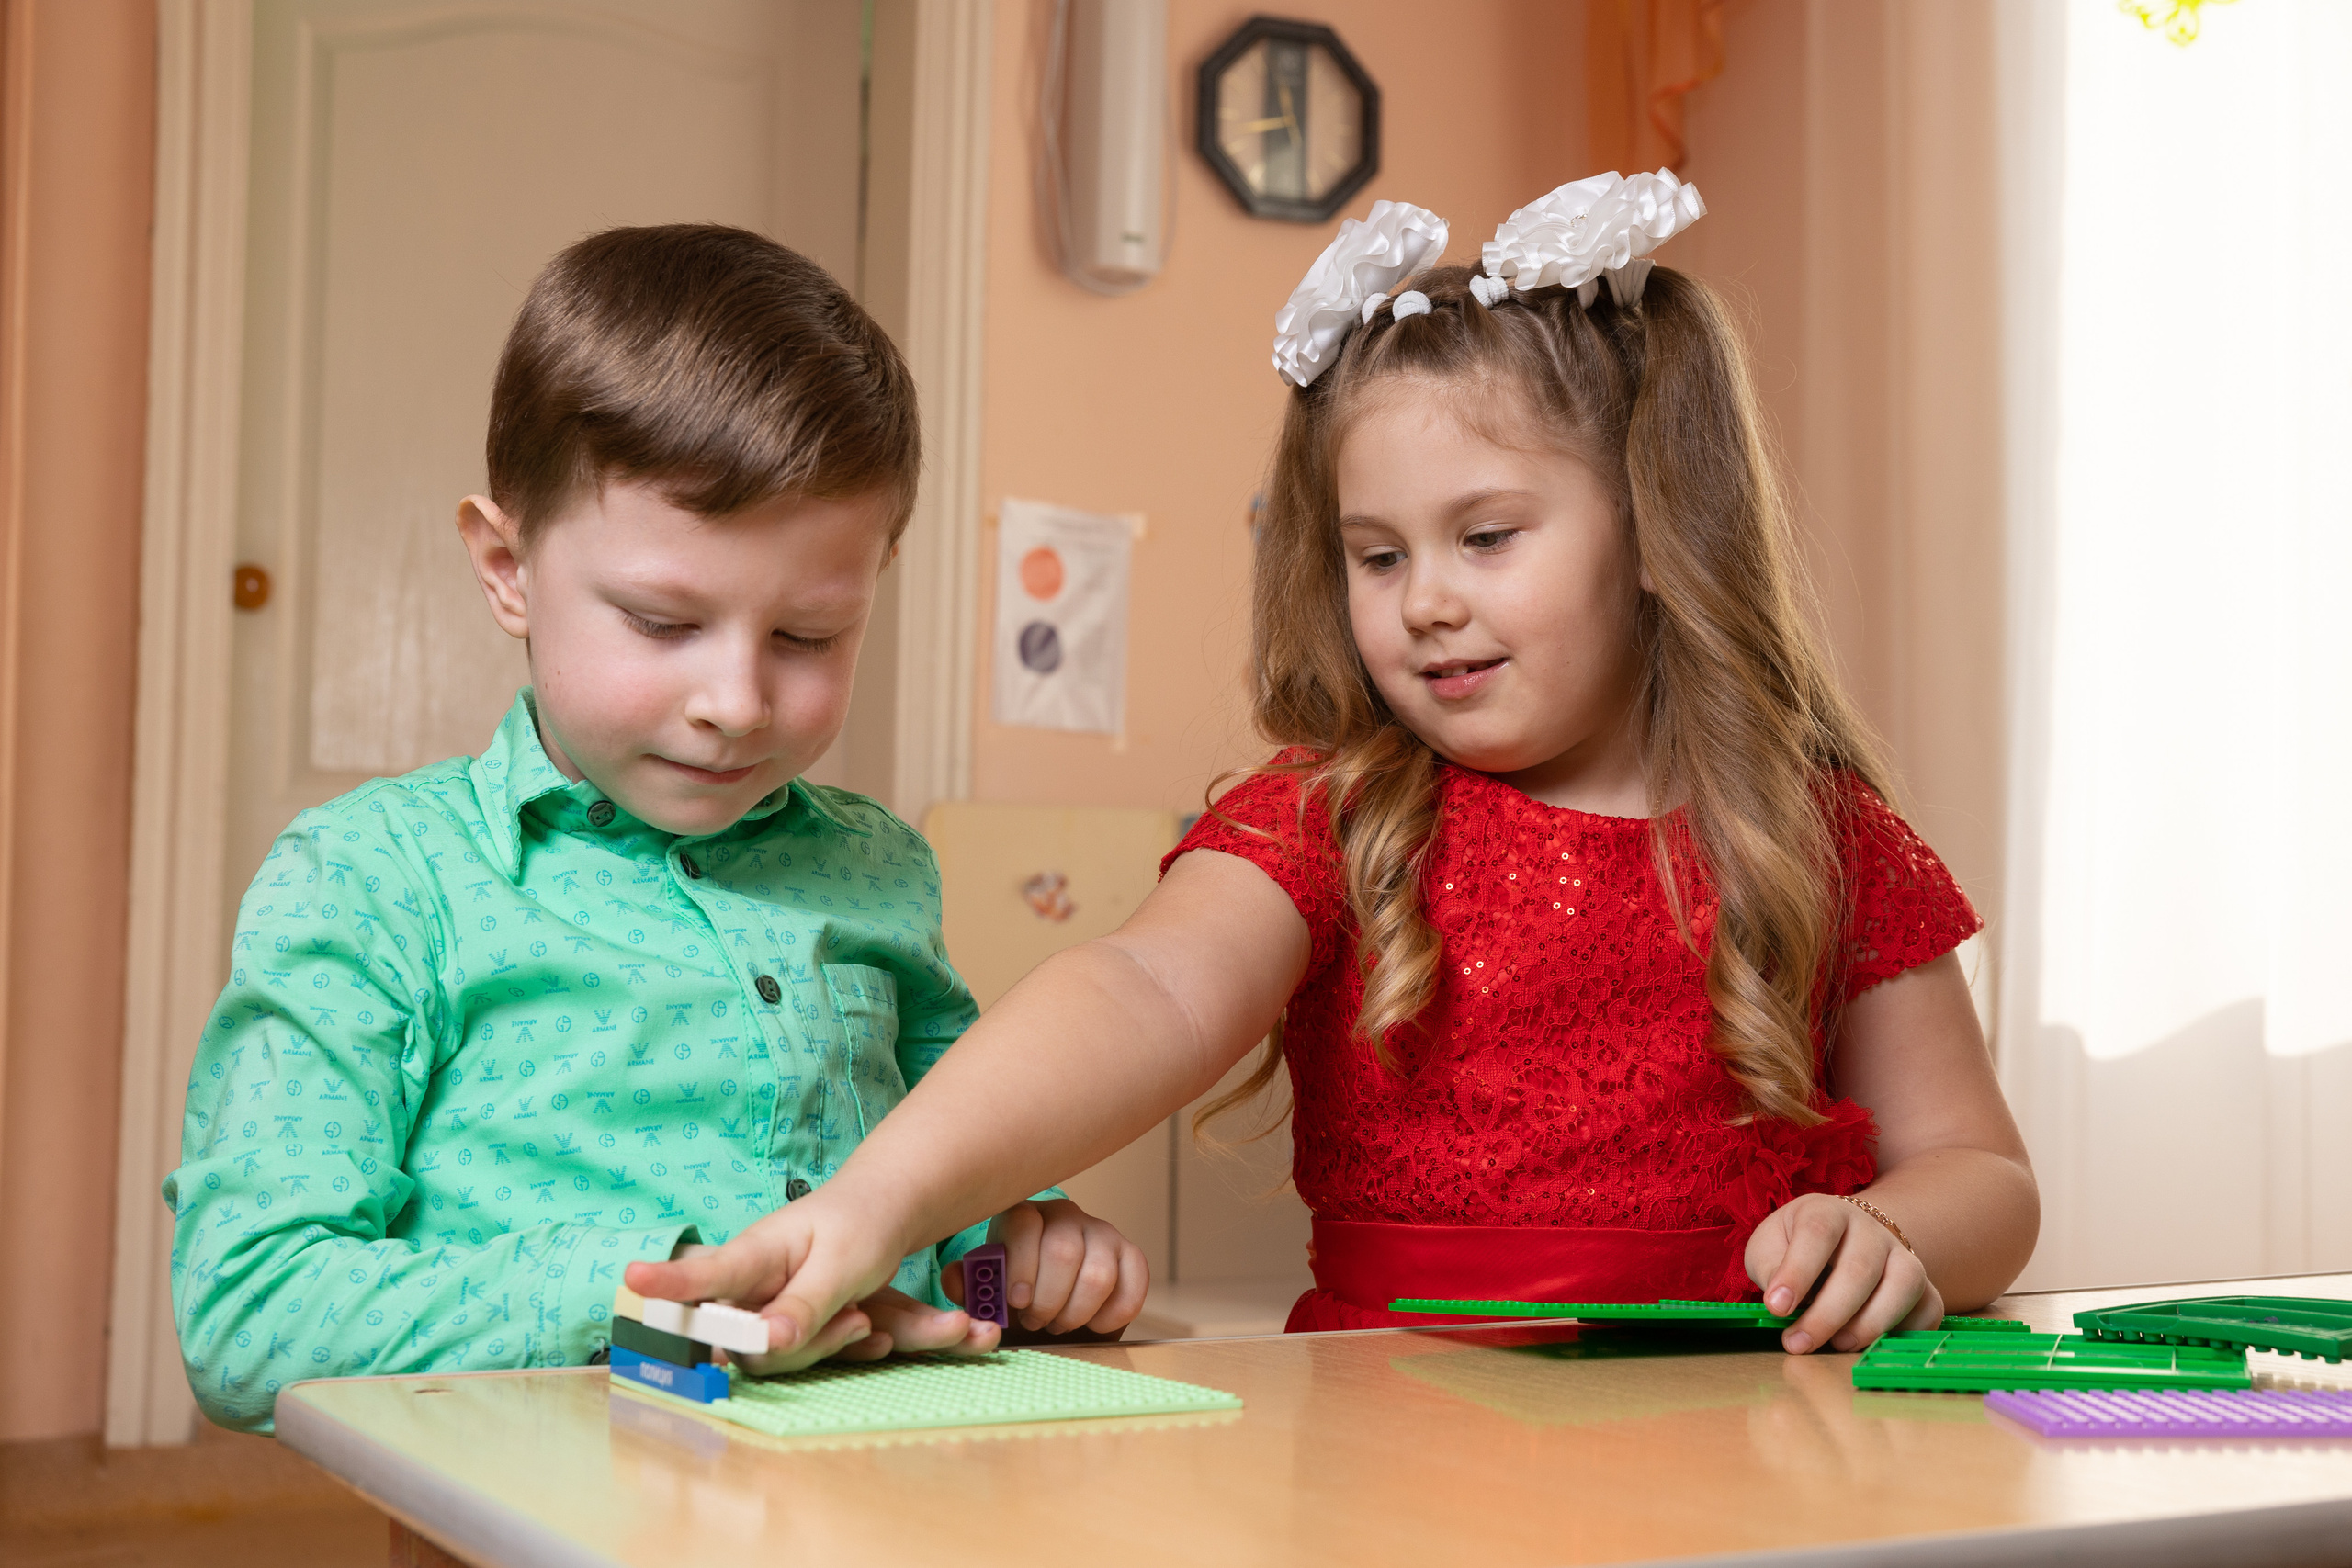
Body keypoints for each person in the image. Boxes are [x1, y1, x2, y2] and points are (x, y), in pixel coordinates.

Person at [633, 175, 2039, 1366]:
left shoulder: (1817, 835)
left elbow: (1983, 1173)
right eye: (1379, 555)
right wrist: (882, 1200)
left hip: (1754, 1442)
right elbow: (1143, 988)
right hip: (1389, 1448)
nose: (1424, 599)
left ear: (1660, 529)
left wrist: (1897, 1233)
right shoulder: (1337, 817)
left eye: (1486, 538)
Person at [164, 225, 1148, 1432]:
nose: (736, 702)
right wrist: (652, 1295)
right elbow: (251, 1316)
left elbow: (968, 1250)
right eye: (662, 622)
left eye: (807, 637)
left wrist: (1033, 1261)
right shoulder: (372, 882)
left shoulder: (881, 871)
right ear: (506, 564)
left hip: (885, 1495)